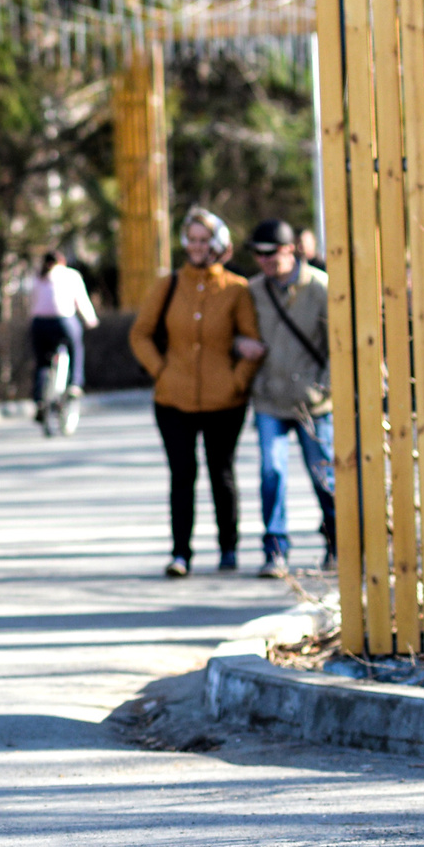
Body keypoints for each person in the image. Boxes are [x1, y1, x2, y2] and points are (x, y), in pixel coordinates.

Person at [128, 207, 264, 578]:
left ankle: (228, 547)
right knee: (182, 473)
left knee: (222, 472)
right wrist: (161, 370)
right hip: (173, 399)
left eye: (205, 240)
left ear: (218, 243)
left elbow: (253, 341)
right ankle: (180, 552)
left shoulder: (236, 289)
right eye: (192, 240)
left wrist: (237, 381)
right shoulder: (168, 285)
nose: (197, 247)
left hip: (225, 401)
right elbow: (140, 334)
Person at [246, 218, 336, 577]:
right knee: (272, 471)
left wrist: (324, 387)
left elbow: (337, 346)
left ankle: (335, 541)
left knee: (324, 475)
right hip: (270, 398)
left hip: (313, 401)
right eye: (257, 254)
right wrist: (241, 345)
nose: (264, 261)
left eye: (270, 253)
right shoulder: (252, 290)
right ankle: (275, 549)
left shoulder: (320, 287)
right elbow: (238, 331)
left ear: (289, 250)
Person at [28, 248, 100, 416]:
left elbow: (32, 303)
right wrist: (91, 320)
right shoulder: (71, 275)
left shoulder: (38, 278)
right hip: (63, 321)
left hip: (39, 324)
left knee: (42, 363)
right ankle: (75, 384)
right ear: (62, 261)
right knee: (75, 347)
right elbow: (81, 301)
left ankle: (39, 400)